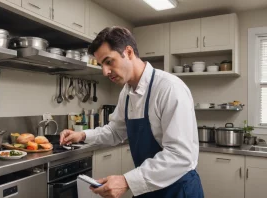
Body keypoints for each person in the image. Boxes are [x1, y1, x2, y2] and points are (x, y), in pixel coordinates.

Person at [60, 26, 204, 198]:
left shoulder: (169, 88)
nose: (105, 72)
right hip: (148, 189)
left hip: (178, 190)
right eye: (101, 65)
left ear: (128, 52)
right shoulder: (126, 93)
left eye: (108, 61)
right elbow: (115, 131)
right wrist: (82, 135)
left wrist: (126, 181)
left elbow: (180, 155)